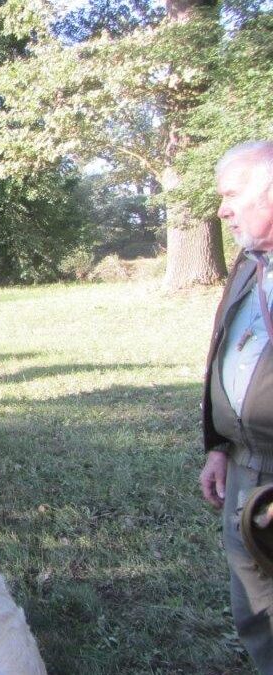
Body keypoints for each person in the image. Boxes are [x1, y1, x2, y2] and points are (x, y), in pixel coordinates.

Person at [200, 140, 273, 672]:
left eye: (232, 194)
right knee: (255, 609)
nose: (222, 210)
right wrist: (218, 445)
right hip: (246, 468)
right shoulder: (249, 265)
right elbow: (222, 349)